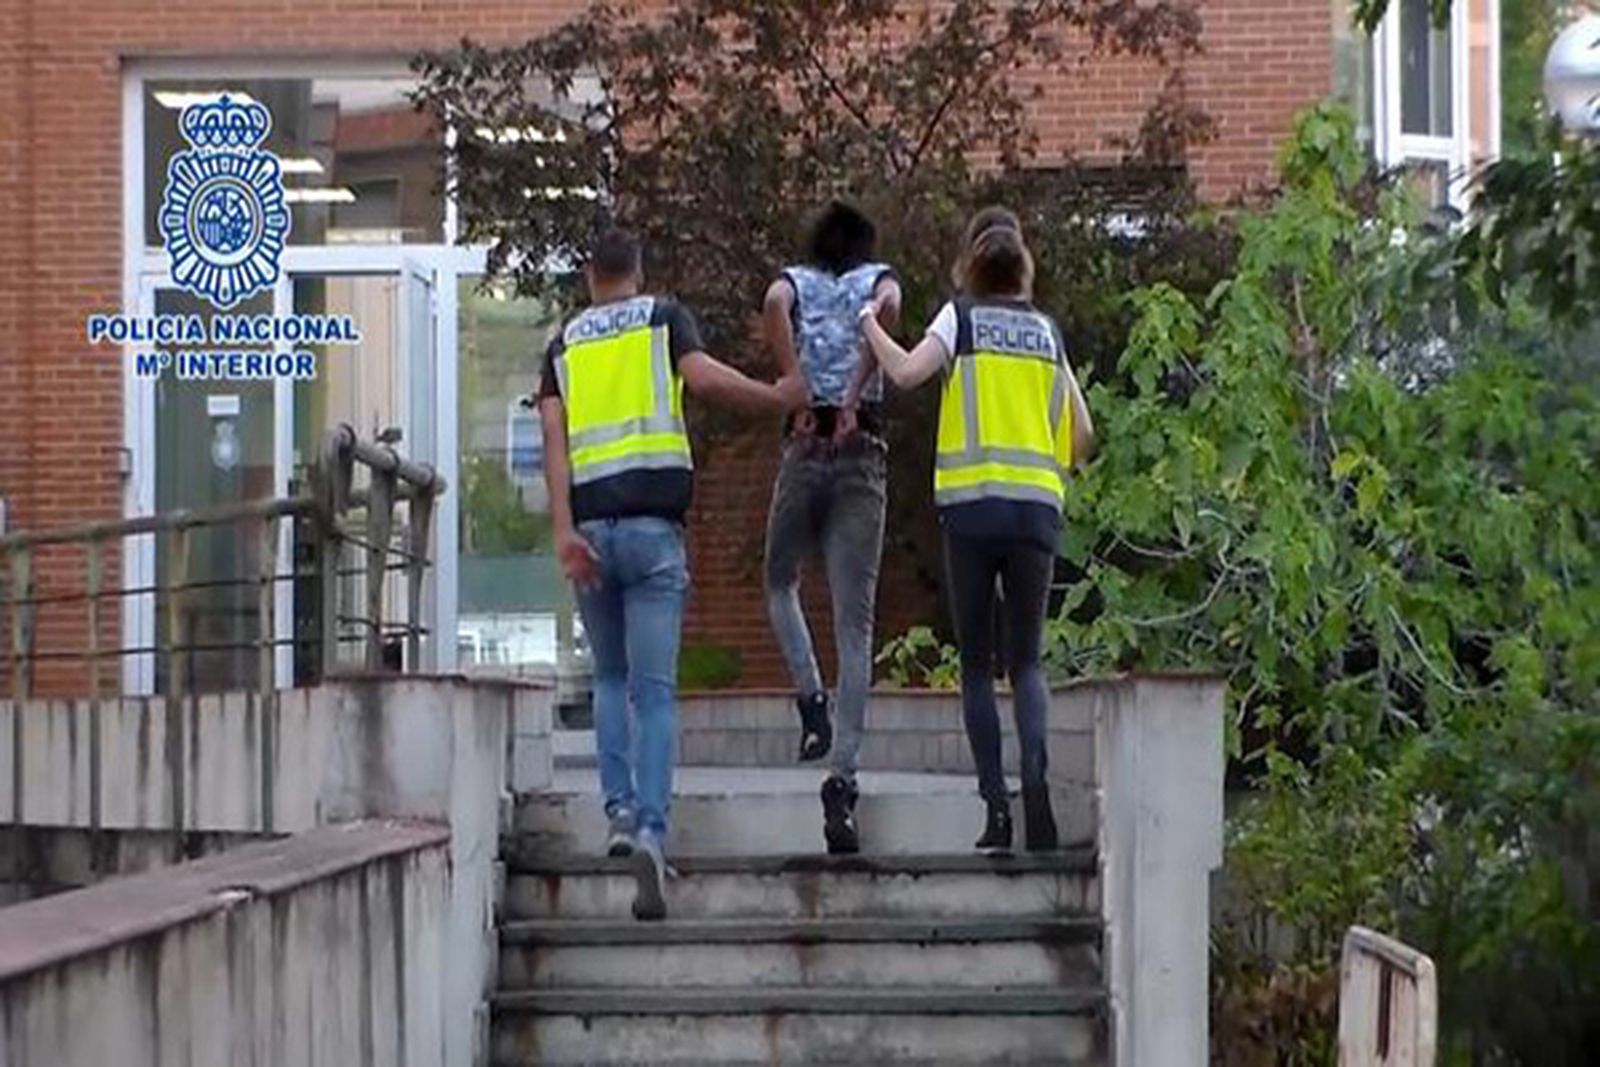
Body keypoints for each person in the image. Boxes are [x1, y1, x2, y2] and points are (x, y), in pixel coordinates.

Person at [538, 228, 806, 918]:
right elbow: (707, 379)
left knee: (607, 678)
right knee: (654, 691)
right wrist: (780, 395)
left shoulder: (562, 345)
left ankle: (619, 814)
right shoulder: (663, 318)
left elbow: (554, 444)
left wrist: (564, 529)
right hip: (655, 529)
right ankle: (654, 831)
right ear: (637, 268)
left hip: (591, 530)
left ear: (588, 273)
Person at [858, 210, 1093, 853]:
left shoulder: (958, 318)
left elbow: (905, 373)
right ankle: (1039, 789)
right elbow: (1083, 433)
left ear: (971, 261)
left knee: (975, 666)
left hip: (970, 512)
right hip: (1036, 513)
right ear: (1023, 265)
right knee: (1027, 661)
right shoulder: (1048, 333)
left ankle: (996, 810)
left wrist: (869, 328)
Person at [761, 201, 901, 854]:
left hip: (804, 442)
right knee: (857, 622)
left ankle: (811, 700)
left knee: (778, 578)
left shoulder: (798, 278)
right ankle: (842, 777)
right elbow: (891, 307)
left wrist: (795, 379)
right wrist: (854, 395)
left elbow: (772, 301)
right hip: (861, 445)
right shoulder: (875, 277)